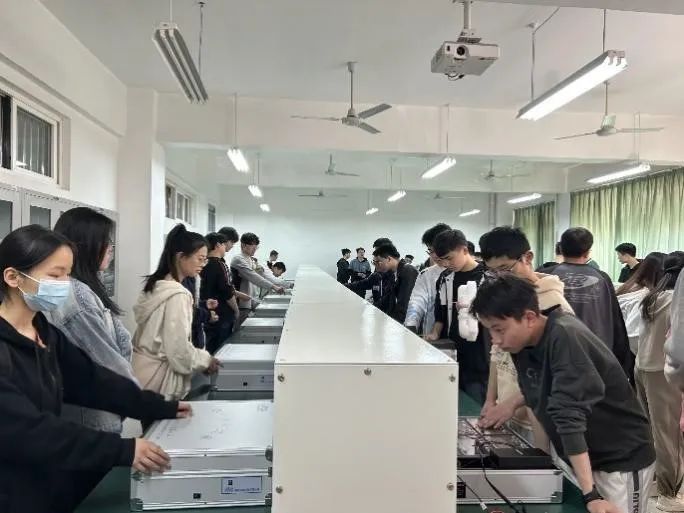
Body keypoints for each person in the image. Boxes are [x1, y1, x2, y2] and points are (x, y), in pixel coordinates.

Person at [0, 225, 190, 513]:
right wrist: (123, 450)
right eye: (55, 276)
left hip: (45, 480)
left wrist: (160, 407)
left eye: (68, 274)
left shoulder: (44, 332)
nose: (65, 284)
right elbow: (31, 431)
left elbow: (93, 382)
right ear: (13, 277)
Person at [471, 274, 655, 513]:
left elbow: (568, 416)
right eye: (490, 331)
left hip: (619, 460)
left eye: (499, 330)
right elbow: (537, 385)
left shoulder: (566, 336)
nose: (495, 340)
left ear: (529, 317)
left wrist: (591, 494)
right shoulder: (523, 343)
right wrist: (510, 405)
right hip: (581, 457)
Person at [477, 227, 573, 451]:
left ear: (527, 258)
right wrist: (491, 399)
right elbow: (497, 354)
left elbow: (551, 375)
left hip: (537, 418)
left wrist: (510, 404)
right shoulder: (507, 298)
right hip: (507, 411)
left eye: (504, 269)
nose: (500, 278)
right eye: (493, 273)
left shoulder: (554, 307)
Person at [47, 207, 140, 435]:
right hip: (88, 418)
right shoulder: (75, 295)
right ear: (86, 245)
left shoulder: (84, 288)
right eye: (105, 242)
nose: (110, 249)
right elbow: (106, 361)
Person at [132, 224, 220, 401]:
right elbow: (178, 350)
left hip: (141, 371)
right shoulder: (178, 294)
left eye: (205, 260)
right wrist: (205, 360)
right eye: (200, 259)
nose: (203, 265)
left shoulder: (157, 284)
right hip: (160, 380)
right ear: (181, 257)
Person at [549, 227, 634, 382]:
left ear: (561, 248)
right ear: (588, 252)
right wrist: (623, 363)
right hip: (596, 357)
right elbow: (615, 321)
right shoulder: (602, 278)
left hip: (555, 355)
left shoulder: (547, 275)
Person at [635, 252, 684, 511]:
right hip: (663, 373)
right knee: (669, 436)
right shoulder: (676, 300)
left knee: (653, 432)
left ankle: (655, 482)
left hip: (643, 368)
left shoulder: (652, 296)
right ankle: (670, 493)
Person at [425, 229, 488, 403]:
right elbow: (440, 311)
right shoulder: (445, 278)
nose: (446, 264)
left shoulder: (486, 277)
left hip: (479, 353)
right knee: (450, 400)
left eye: (450, 258)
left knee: (475, 402)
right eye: (442, 260)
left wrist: (474, 309)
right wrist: (435, 332)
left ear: (465, 250)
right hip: (452, 350)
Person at [616, 252, 666, 355]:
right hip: (629, 352)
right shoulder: (645, 296)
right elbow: (633, 335)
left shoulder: (628, 287)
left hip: (615, 345)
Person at [405, 223, 451, 335]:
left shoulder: (463, 271)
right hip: (433, 336)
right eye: (430, 250)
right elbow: (417, 302)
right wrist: (411, 324)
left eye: (437, 250)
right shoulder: (426, 275)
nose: (434, 256)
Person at [231, 232, 286, 322]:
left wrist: (286, 284)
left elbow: (264, 275)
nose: (255, 249)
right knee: (241, 328)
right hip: (242, 303)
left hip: (252, 300)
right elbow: (253, 277)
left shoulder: (252, 260)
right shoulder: (238, 259)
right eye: (252, 246)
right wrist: (274, 287)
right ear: (243, 245)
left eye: (256, 247)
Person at [200, 232, 238, 354]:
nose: (225, 247)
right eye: (223, 244)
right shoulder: (220, 265)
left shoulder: (201, 264)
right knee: (221, 351)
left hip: (204, 313)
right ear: (217, 245)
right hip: (222, 315)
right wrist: (236, 310)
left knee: (208, 348)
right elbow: (227, 291)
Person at [372, 244, 418, 323]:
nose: (376, 266)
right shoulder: (393, 272)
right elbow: (388, 297)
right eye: (374, 262)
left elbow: (403, 306)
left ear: (388, 259)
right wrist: (372, 307)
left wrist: (393, 325)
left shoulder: (408, 271)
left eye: (378, 262)